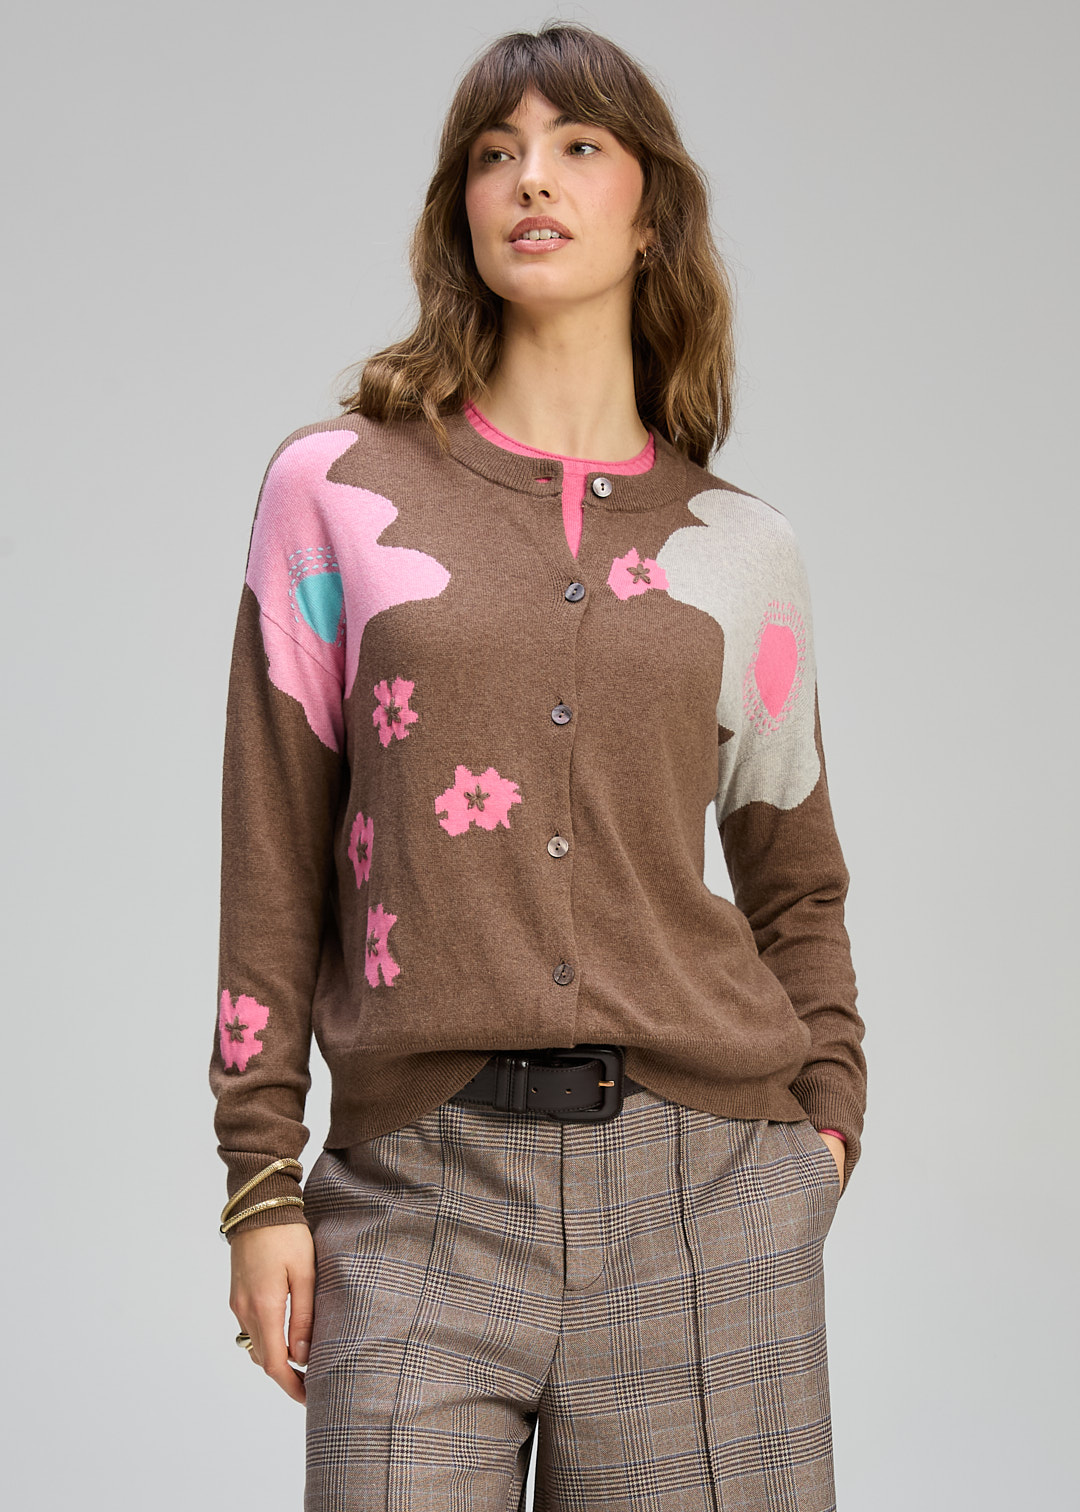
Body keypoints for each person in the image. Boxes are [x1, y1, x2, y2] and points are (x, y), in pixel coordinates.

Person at [210, 22, 867, 1511]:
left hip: (711, 1201)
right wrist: (259, 1178)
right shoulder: (338, 489)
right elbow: (270, 847)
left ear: (654, 215)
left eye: (579, 146)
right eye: (495, 153)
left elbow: (797, 880)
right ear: (460, 210)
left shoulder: (740, 548)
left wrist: (824, 1130)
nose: (532, 179)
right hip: (416, 1192)